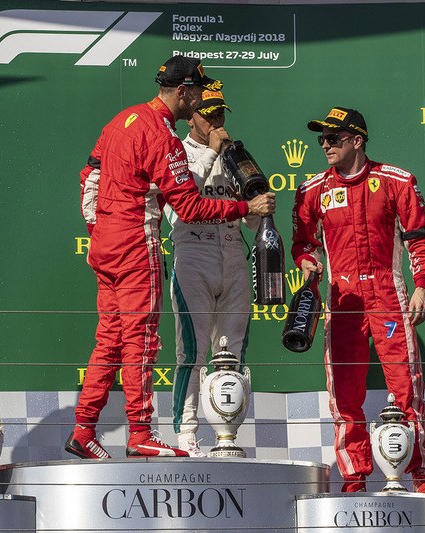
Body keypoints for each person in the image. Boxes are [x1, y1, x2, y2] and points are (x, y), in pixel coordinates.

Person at [68, 56, 276, 459]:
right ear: (182, 92)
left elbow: (89, 175)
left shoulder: (121, 119)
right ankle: (140, 433)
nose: (200, 101)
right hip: (134, 243)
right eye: (197, 92)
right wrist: (243, 210)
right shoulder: (163, 137)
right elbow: (191, 209)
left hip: (106, 244)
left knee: (108, 340)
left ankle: (83, 429)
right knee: (141, 340)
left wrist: (97, 228)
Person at [291, 107, 425, 493]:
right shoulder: (312, 189)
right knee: (344, 393)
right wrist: (309, 264)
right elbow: (303, 243)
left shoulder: (396, 180)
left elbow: (420, 235)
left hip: (388, 295)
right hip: (342, 301)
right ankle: (354, 479)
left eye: (334, 138)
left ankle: (421, 477)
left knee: (407, 389)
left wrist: (422, 284)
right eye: (322, 138)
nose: (325, 144)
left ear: (357, 140)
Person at [163, 87, 257, 456]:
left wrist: (256, 203)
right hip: (194, 253)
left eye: (221, 115)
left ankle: (227, 432)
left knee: (232, 352)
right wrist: (214, 152)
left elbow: (249, 219)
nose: (216, 122)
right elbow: (180, 204)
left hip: (234, 254)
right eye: (208, 115)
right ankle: (186, 433)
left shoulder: (238, 156)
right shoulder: (176, 153)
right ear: (191, 117)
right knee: (193, 351)